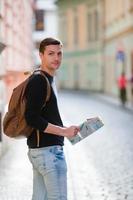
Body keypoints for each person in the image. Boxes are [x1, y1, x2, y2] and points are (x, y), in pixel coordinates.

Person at [24, 37, 80, 200]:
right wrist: (63, 131)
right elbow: (32, 118)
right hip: (48, 153)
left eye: (59, 53)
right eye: (51, 54)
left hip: (43, 152)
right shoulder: (39, 81)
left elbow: (45, 115)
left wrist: (69, 130)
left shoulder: (47, 79)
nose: (56, 58)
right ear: (41, 55)